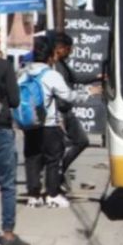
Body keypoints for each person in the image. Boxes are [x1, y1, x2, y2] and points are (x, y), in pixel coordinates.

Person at [22, 36, 94, 209]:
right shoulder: (51, 74)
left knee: (32, 158)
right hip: (49, 123)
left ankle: (33, 196)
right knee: (53, 159)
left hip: (30, 123)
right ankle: (52, 194)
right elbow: (68, 95)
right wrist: (87, 93)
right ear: (49, 57)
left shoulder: (24, 73)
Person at [48, 32, 88, 193]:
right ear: (60, 48)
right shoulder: (55, 67)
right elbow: (59, 93)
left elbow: (76, 78)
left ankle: (59, 175)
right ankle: (55, 182)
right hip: (61, 112)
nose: (71, 52)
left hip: (66, 111)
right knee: (58, 149)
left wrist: (99, 76)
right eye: (69, 49)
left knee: (80, 142)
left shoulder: (63, 65)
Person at [0, 51, 29, 245]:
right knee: (7, 183)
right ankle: (8, 234)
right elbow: (15, 100)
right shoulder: (4, 66)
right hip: (1, 129)